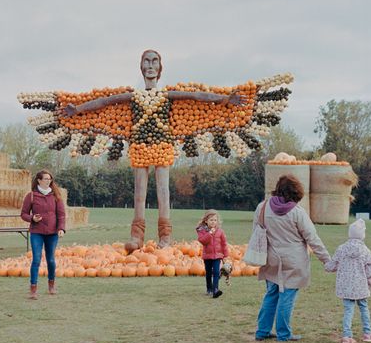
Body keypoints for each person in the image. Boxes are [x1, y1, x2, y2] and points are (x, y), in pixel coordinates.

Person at [62, 49, 247, 250]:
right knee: (139, 193)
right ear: (141, 67)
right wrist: (78, 110)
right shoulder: (134, 96)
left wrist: (225, 99)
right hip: (140, 145)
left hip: (162, 145)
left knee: (163, 192)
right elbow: (105, 102)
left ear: (160, 68)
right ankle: (137, 237)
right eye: (147, 62)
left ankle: (165, 237)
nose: (150, 66)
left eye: (154, 62)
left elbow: (196, 96)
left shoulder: (166, 95)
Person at [254, 175, 331, 342]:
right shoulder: (297, 213)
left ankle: (262, 331)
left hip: (271, 258)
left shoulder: (262, 207)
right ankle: (284, 334)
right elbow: (313, 238)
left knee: (271, 294)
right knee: (287, 296)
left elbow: (257, 231)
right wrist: (326, 260)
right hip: (293, 261)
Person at [324, 218, 371, 343]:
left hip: (346, 286)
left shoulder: (342, 248)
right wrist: (370, 279)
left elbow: (333, 265)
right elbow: (370, 266)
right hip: (360, 285)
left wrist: (327, 266)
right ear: (362, 235)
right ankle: (367, 333)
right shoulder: (365, 250)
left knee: (348, 310)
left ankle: (347, 336)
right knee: (364, 307)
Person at [20, 170, 66, 300]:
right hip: (36, 232)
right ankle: (33, 289)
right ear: (39, 180)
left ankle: (51, 285)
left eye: (50, 179)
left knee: (51, 260)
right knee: (36, 259)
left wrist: (61, 228)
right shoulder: (31, 196)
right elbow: (23, 214)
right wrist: (32, 218)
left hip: (52, 233)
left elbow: (61, 215)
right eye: (46, 179)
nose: (48, 181)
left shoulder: (56, 196)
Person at [196, 210, 228, 298]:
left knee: (216, 272)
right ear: (206, 221)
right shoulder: (202, 231)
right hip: (207, 256)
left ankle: (215, 290)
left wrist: (225, 255)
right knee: (209, 273)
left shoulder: (220, 231)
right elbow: (203, 241)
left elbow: (224, 244)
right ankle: (209, 289)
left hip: (217, 256)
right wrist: (209, 233)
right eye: (211, 220)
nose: (213, 222)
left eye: (215, 220)